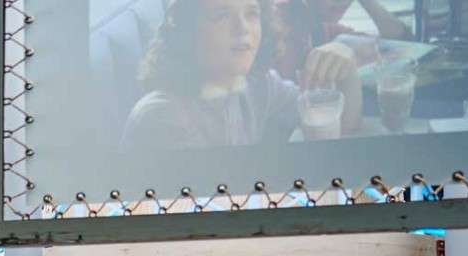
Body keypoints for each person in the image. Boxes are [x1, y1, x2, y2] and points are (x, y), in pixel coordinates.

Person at [120, 0, 363, 152]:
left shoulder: (256, 84)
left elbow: (340, 126)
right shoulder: (161, 119)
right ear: (187, 31)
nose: (242, 28)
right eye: (221, 15)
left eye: (251, 14)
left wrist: (348, 69)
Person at [275, 0, 410, 81]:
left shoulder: (323, 28)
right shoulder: (280, 22)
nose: (343, 2)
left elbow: (401, 41)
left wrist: (368, 3)